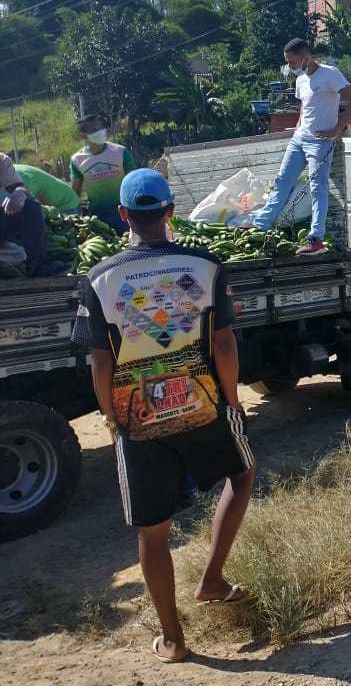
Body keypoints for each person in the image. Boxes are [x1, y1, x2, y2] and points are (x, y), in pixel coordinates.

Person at [72, 169, 255, 663]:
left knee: (153, 532)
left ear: (124, 215)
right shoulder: (206, 266)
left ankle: (173, 639)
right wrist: (232, 399)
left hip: (137, 416)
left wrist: (113, 416)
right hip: (202, 402)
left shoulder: (101, 278)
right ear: (171, 212)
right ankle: (212, 578)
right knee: (240, 476)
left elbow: (100, 360)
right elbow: (223, 342)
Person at [247, 38, 351, 255]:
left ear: (305, 57)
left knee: (317, 186)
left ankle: (316, 239)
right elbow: (305, 107)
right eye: (287, 62)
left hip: (320, 142)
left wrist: (336, 129)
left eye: (292, 62)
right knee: (282, 180)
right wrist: (298, 128)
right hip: (299, 139)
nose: (290, 66)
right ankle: (261, 225)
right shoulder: (300, 80)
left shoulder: (331, 74)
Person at [71, 115, 136, 233]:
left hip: (123, 211)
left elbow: (134, 181)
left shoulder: (120, 152)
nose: (100, 132)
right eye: (94, 130)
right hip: (97, 215)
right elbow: (75, 192)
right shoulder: (77, 160)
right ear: (83, 135)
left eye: (101, 128)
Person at [0, 151, 52, 276]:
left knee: (31, 206)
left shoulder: (2, 160)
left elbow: (19, 187)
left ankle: (38, 265)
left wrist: (19, 193)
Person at [15, 163, 82, 213]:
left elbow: (40, 204)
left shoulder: (21, 177)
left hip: (67, 205)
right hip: (55, 203)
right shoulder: (10, 171)